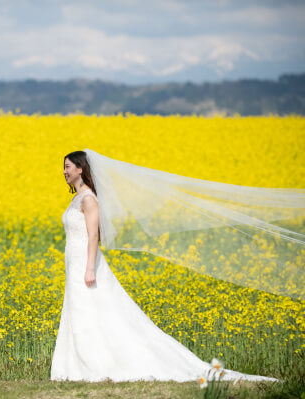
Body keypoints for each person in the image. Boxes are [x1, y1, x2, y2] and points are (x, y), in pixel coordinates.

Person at [50, 150, 278, 382]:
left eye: (68, 166)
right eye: (64, 167)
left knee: (97, 310)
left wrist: (89, 268)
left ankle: (96, 364)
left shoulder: (89, 199)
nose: (64, 171)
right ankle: (76, 365)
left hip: (85, 263)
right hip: (74, 261)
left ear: (80, 168)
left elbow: (93, 236)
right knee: (80, 309)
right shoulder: (77, 198)